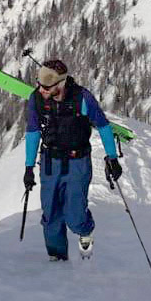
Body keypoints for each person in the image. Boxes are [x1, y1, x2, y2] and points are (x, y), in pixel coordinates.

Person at [22, 58, 122, 261]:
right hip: (50, 162)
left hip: (78, 163)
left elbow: (103, 126)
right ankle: (57, 258)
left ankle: (85, 230)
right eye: (39, 84)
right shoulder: (37, 99)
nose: (41, 90)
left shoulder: (83, 98)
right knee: (51, 215)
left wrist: (112, 158)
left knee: (74, 216)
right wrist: (29, 167)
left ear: (60, 83)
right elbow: (32, 132)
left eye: (47, 87)